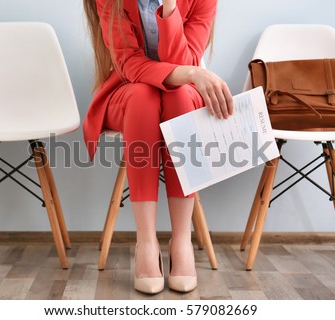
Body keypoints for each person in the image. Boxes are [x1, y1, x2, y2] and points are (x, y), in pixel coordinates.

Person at [83, 0, 233, 294]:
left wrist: (169, 8)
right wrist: (191, 74)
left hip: (182, 97)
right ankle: (146, 241)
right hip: (127, 91)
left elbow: (186, 59)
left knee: (178, 99)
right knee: (144, 96)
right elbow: (129, 64)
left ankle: (181, 239)